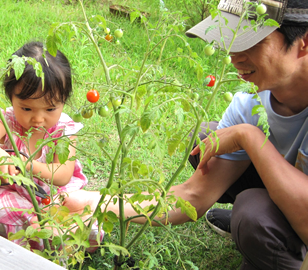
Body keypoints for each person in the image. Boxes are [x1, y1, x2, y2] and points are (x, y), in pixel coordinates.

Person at [62, 0, 308, 268]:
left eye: (252, 43)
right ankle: (265, 224)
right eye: (231, 41)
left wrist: (250, 137)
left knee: (254, 216)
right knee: (208, 137)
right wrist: (93, 202)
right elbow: (194, 195)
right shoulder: (250, 102)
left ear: (303, 42)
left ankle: (277, 243)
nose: (235, 56)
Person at [0, 41, 102, 251]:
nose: (38, 118)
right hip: (13, 191)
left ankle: (48, 242)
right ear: (11, 97)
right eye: (26, 108)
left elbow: (62, 175)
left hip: (53, 193)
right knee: (5, 213)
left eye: (50, 109)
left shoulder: (64, 129)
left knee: (72, 218)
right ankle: (26, 245)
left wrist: (26, 165)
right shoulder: (5, 120)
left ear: (64, 101)